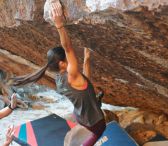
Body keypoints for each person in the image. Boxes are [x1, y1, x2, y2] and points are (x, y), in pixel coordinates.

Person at [11, 2, 106, 146]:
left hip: (80, 115)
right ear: (62, 64)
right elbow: (68, 48)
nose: (70, 59)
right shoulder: (71, 75)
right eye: (66, 59)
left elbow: (85, 82)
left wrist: (87, 60)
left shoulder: (60, 80)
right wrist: (59, 25)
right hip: (94, 123)